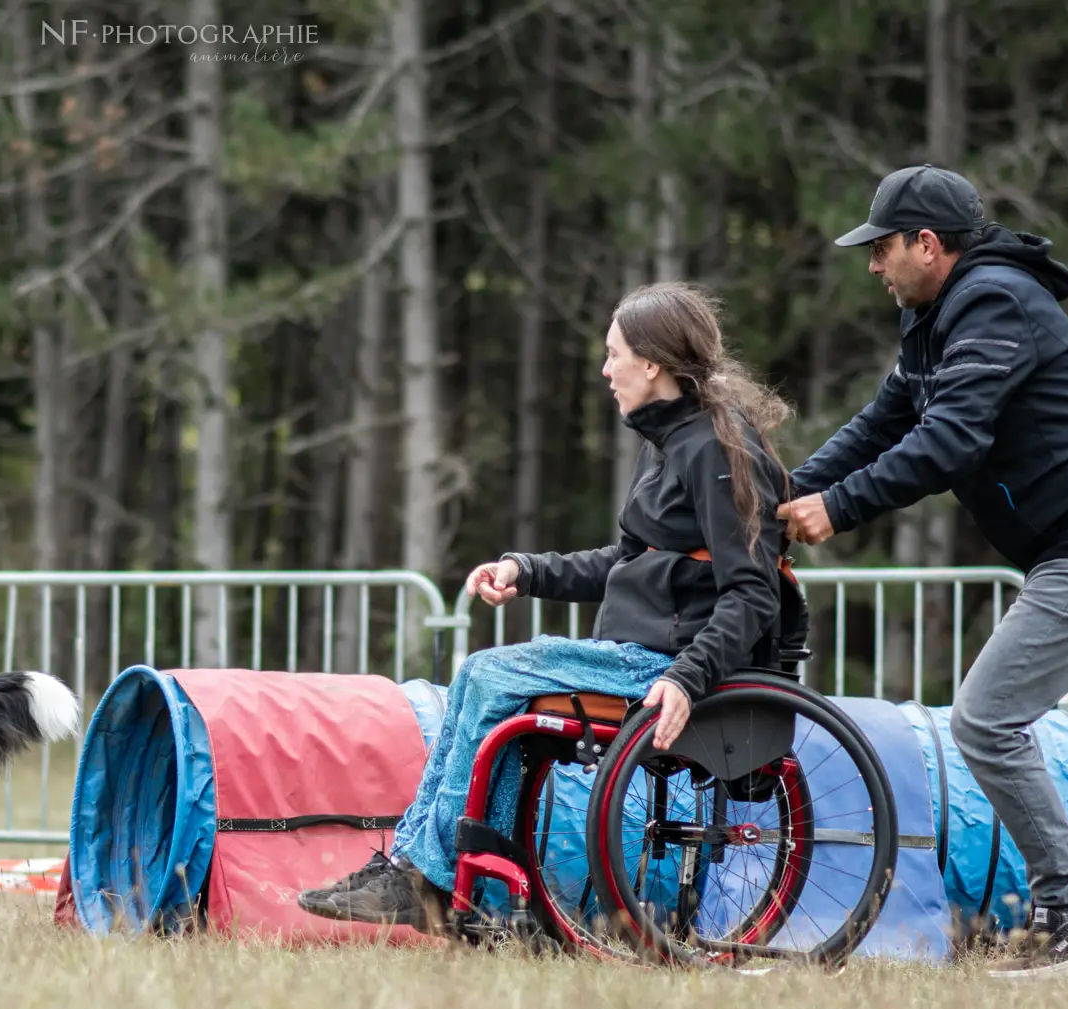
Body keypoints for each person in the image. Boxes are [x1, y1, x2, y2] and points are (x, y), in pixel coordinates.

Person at [780, 163, 1068, 978]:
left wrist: (839, 509)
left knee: (983, 720)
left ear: (927, 244)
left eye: (883, 249)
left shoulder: (993, 302)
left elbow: (950, 443)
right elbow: (882, 424)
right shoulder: (936, 320)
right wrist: (790, 492)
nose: (874, 265)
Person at [300, 282, 792, 932]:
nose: (604, 369)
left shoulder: (715, 454)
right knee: (496, 700)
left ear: (652, 363)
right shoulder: (670, 445)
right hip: (643, 654)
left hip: (670, 667)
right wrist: (526, 571)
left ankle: (424, 879)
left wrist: (684, 678)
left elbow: (753, 591)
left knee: (486, 675)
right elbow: (628, 564)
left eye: (614, 354)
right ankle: (467, 888)